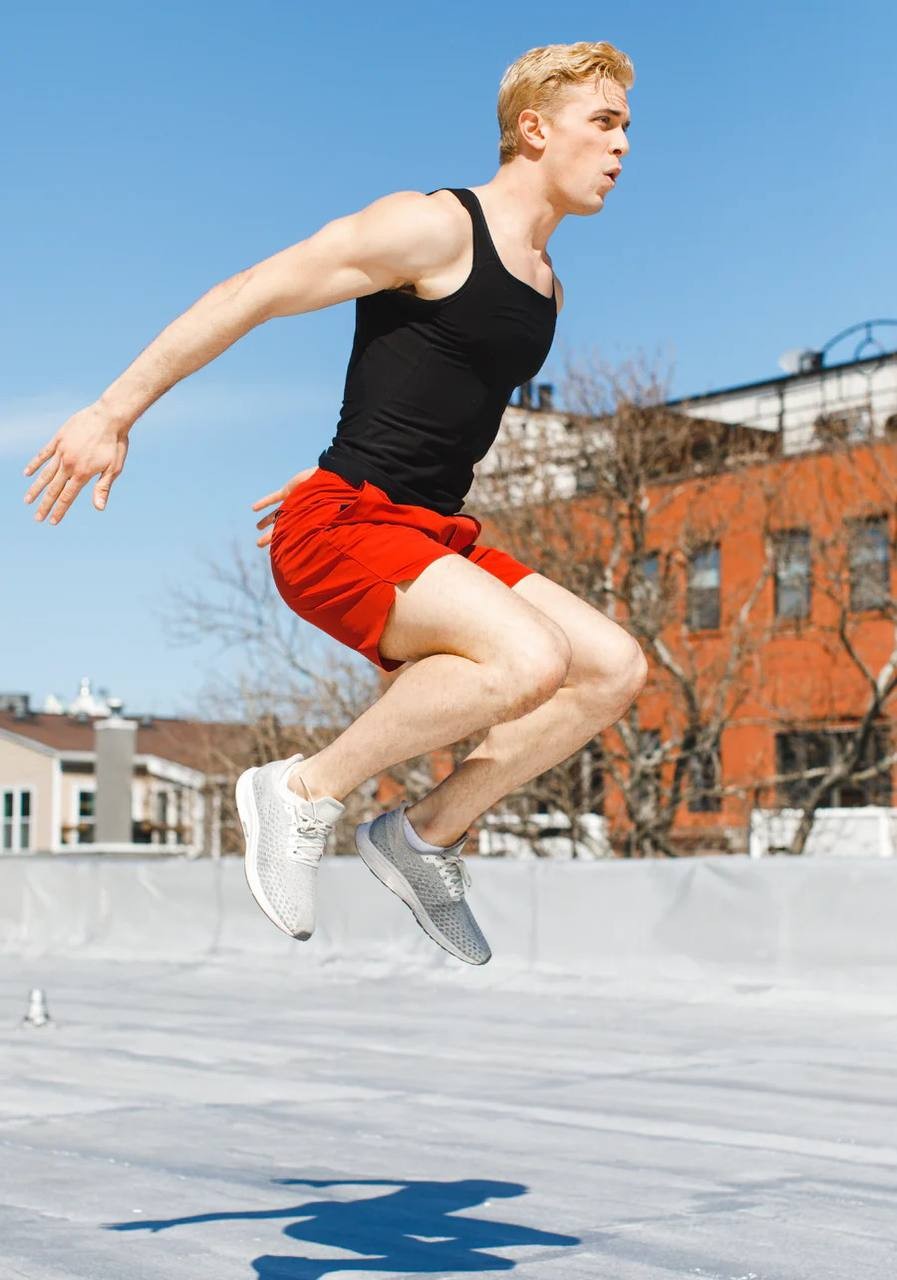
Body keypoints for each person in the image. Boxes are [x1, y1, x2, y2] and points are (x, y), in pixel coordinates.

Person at [22, 41, 646, 965]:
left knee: (610, 667)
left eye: (626, 127)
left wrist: (359, 459)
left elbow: (432, 404)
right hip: (341, 527)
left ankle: (422, 834)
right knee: (528, 655)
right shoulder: (434, 228)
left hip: (424, 528)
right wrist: (113, 411)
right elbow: (256, 291)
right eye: (604, 123)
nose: (622, 146)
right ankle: (302, 792)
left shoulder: (547, 287)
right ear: (533, 127)